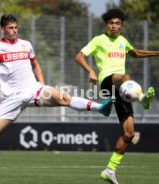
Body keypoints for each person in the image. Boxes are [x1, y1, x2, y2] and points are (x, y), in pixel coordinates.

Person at [0, 14, 113, 176]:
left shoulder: (26, 45)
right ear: (2, 29)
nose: (14, 31)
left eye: (16, 27)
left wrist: (42, 84)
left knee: (63, 98)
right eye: (10, 28)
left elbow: (35, 64)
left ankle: (100, 107)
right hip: (12, 97)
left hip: (33, 89)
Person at [75, 8, 159, 184]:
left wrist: (157, 53)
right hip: (107, 82)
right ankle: (142, 98)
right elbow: (79, 56)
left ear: (121, 25)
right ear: (106, 24)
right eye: (111, 23)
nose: (114, 26)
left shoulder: (122, 40)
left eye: (117, 23)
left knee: (129, 133)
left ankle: (109, 170)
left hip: (121, 90)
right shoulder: (99, 40)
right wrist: (90, 71)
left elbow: (135, 53)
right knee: (125, 76)